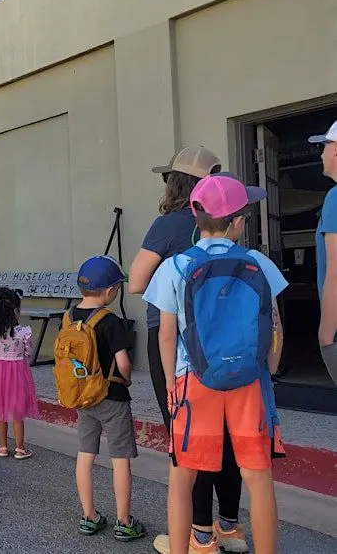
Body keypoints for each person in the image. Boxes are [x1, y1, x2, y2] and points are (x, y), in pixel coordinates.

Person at [143, 174, 286, 554]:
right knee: (258, 477)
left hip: (194, 380)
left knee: (183, 478)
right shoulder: (258, 262)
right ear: (238, 221)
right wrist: (268, 368)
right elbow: (273, 325)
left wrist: (173, 381)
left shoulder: (176, 266)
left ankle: (187, 547)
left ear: (195, 215)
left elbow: (166, 333)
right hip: (248, 382)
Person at [127, 148, 247, 552]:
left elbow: (137, 281)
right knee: (230, 434)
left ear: (175, 183)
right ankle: (229, 527)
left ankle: (198, 536)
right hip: (226, 337)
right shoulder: (229, 227)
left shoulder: (168, 225)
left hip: (175, 339)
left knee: (190, 435)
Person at [63, 256, 146, 542]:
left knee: (85, 455)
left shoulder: (69, 316)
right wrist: (126, 379)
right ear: (110, 291)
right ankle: (124, 521)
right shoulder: (110, 321)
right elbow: (123, 363)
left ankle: (90, 516)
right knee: (120, 458)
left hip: (84, 398)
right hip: (112, 397)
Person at [0, 287, 38, 460]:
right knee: (17, 411)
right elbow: (28, 353)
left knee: (0, 409)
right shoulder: (24, 332)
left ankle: (2, 447)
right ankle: (20, 448)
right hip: (18, 372)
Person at [313, 120, 337, 386]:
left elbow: (336, 270)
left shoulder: (335, 198)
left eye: (325, 145)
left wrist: (326, 332)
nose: (321, 153)